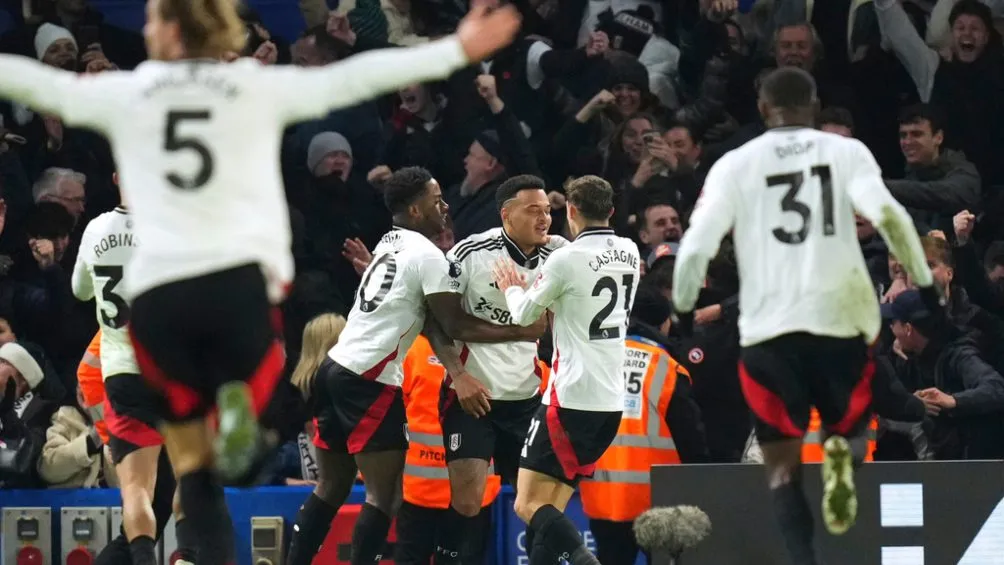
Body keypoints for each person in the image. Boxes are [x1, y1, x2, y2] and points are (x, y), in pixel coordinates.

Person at [0, 1, 520, 563]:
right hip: (236, 288)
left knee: (193, 472)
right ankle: (247, 417)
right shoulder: (250, 88)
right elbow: (352, 78)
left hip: (160, 305)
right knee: (251, 409)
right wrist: (455, 48)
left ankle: (221, 446)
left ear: (172, 28)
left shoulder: (131, 92)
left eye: (153, 19)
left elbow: (41, 84)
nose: (146, 28)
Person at [670, 67, 938, 565]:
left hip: (769, 329)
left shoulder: (735, 164)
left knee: (778, 462)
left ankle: (802, 557)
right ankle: (844, 452)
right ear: (814, 108)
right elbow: (893, 219)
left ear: (762, 109)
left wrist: (684, 311)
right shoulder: (846, 153)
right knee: (848, 420)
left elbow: (694, 249)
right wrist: (926, 286)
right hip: (839, 320)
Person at [289, 167, 546, 565]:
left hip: (334, 367)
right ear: (414, 209)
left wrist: (458, 372)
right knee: (385, 496)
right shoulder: (429, 257)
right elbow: (454, 324)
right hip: (369, 379)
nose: (445, 207)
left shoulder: (390, 242)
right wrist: (522, 330)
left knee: (331, 487)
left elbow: (428, 319)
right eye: (436, 200)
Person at [492, 175, 641, 565]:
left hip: (570, 400)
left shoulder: (565, 259)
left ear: (571, 211)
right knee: (550, 508)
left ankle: (582, 560)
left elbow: (524, 314)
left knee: (526, 504)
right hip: (610, 404)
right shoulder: (630, 251)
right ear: (611, 211)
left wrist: (511, 287)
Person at [433, 174, 567, 565]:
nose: (544, 219)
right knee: (468, 501)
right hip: (474, 396)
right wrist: (459, 376)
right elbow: (438, 320)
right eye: (533, 210)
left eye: (547, 211)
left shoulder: (558, 256)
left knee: (535, 503)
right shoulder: (471, 253)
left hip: (526, 399)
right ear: (507, 215)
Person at [70, 185, 178, 565]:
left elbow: (80, 290)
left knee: (145, 495)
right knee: (175, 492)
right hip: (167, 374)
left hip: (122, 377)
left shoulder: (96, 229)